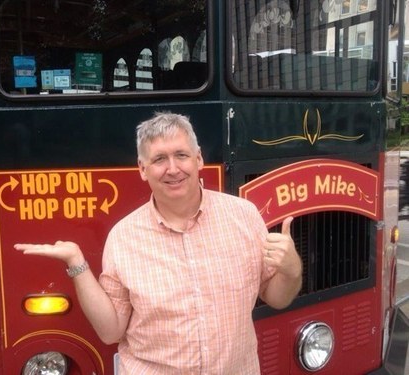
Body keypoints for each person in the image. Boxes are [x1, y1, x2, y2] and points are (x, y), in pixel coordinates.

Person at [15, 112, 302, 374]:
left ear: (198, 159)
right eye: (159, 159)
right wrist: (76, 263)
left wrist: (290, 270)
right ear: (143, 168)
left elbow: (277, 298)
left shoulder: (244, 216)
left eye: (181, 155)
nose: (173, 168)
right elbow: (110, 331)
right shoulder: (124, 236)